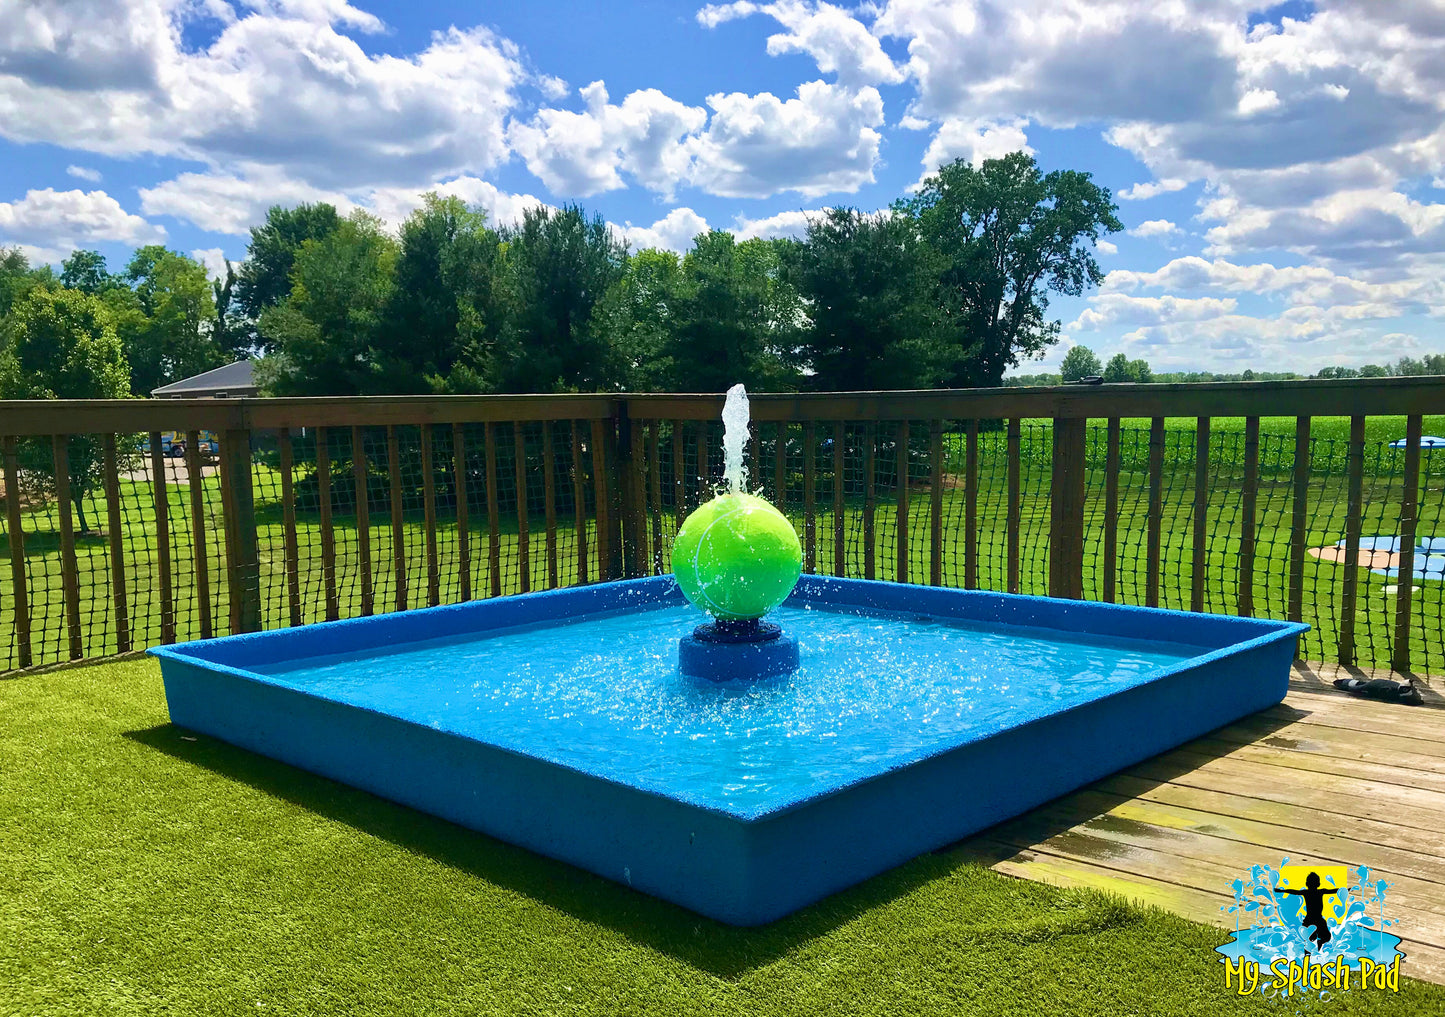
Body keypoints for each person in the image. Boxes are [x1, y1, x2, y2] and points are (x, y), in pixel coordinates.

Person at [1276, 871, 1342, 949]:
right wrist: (1344, 890)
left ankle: (1313, 948)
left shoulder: (1306, 892)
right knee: (1323, 937)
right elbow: (1333, 891)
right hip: (1317, 919)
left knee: (1308, 937)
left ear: (1307, 884)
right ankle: (1317, 947)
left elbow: (1294, 891)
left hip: (1310, 919)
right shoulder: (1320, 891)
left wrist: (1283, 891)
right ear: (1318, 884)